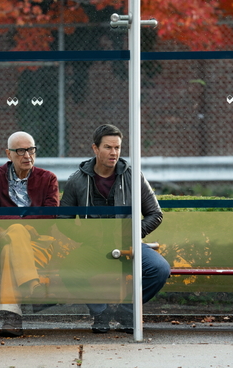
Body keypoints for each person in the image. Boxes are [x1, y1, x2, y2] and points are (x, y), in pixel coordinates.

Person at [60, 124, 170, 334]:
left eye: (117, 147)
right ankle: (100, 312)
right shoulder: (77, 180)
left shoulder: (133, 176)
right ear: (95, 148)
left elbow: (156, 214)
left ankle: (126, 312)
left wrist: (132, 233)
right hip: (94, 248)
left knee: (159, 269)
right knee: (68, 270)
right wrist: (86, 237)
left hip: (129, 245)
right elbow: (62, 220)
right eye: (108, 147)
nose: (114, 153)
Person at [0, 131, 59, 337]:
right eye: (21, 151)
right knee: (14, 235)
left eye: (31, 149)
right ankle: (32, 287)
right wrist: (21, 228)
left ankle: (12, 318)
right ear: (9, 154)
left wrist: (22, 229)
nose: (28, 155)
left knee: (10, 250)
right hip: (4, 239)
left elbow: (51, 213)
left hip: (39, 243)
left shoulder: (48, 178)